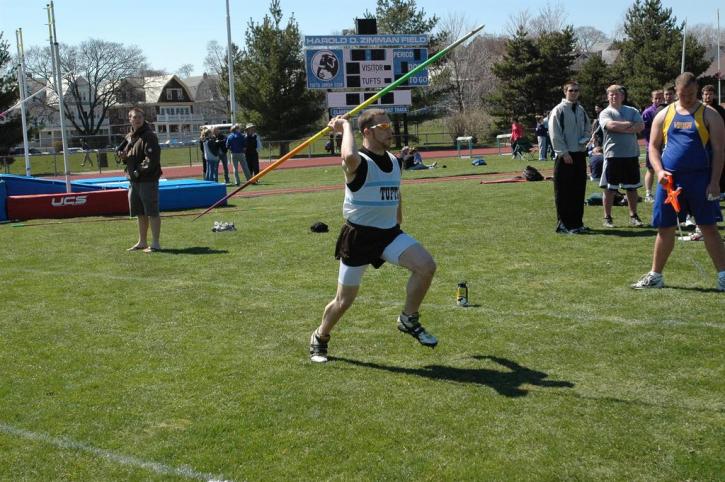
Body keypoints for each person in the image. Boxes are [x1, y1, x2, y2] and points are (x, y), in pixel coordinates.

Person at [309, 108, 438, 363]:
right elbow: (347, 154)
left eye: (389, 125)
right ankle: (320, 336)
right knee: (343, 301)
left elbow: (396, 191)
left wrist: (398, 219)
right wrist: (344, 126)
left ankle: (408, 318)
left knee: (426, 266)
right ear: (366, 132)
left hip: (389, 234)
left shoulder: (393, 160)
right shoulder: (358, 162)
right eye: (383, 127)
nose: (390, 130)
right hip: (359, 237)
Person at [631, 72, 725, 291]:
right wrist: (659, 170)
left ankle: (723, 276)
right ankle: (656, 276)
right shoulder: (664, 114)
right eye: (683, 95)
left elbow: (720, 151)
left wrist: (715, 181)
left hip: (701, 179)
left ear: (697, 91)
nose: (688, 99)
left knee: (708, 228)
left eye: (691, 94)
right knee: (665, 228)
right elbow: (653, 147)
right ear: (676, 92)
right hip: (670, 182)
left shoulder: (710, 115)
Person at [548, 80, 591, 234]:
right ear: (565, 91)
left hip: (579, 154)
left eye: (576, 90)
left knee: (578, 191)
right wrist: (563, 152)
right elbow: (555, 133)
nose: (574, 93)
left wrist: (585, 139)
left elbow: (588, 126)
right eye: (571, 90)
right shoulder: (558, 110)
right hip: (565, 156)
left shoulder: (580, 109)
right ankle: (564, 224)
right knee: (564, 191)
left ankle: (577, 223)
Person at [599, 84, 645, 228]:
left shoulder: (632, 110)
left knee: (631, 188)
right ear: (607, 97)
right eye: (611, 94)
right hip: (613, 155)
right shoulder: (605, 113)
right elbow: (610, 126)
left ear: (622, 96)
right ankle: (607, 217)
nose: (613, 97)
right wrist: (630, 126)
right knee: (610, 188)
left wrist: (622, 127)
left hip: (631, 154)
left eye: (616, 94)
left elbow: (640, 127)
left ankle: (633, 216)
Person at [119, 107, 162, 252]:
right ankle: (142, 242)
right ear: (129, 119)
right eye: (134, 117)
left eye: (139, 117)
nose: (137, 120)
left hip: (147, 180)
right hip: (133, 180)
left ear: (143, 119)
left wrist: (138, 171)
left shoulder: (149, 136)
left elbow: (152, 159)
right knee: (139, 212)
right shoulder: (130, 137)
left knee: (151, 211)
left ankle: (155, 243)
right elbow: (130, 158)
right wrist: (124, 157)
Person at [641, 90, 665, 202]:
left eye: (660, 98)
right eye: (656, 98)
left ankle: (666, 193)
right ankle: (648, 194)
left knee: (666, 170)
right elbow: (644, 129)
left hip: (666, 147)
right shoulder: (648, 112)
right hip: (652, 146)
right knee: (651, 169)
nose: (658, 100)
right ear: (652, 99)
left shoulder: (668, 109)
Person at [702, 84, 725, 198]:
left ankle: (720, 190)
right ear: (702, 95)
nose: (708, 97)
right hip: (703, 145)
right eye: (706, 94)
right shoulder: (698, 109)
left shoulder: (720, 110)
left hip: (717, 144)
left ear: (714, 95)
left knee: (719, 166)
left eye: (710, 94)